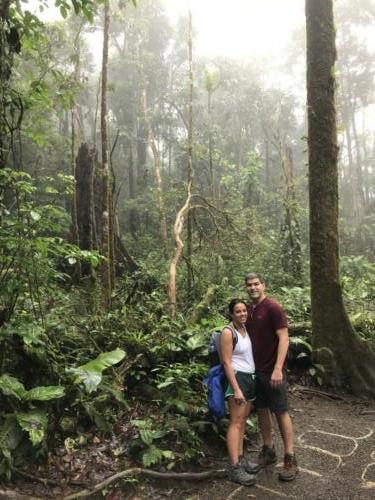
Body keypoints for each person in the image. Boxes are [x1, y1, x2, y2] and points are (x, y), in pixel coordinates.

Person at [244, 273, 299, 481]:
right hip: (255, 372)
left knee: (281, 412)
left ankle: (290, 458)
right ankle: (268, 450)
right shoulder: (249, 310)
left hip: (273, 371)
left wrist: (278, 368)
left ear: (263, 285)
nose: (253, 288)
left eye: (256, 284)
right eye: (249, 285)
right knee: (262, 410)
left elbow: (284, 338)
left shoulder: (273, 307)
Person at [220, 299, 257, 486]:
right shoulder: (228, 332)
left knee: (242, 421)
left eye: (244, 310)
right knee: (235, 422)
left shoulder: (245, 328)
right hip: (237, 379)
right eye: (238, 311)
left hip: (250, 378)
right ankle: (234, 467)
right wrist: (235, 388)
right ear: (231, 314)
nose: (242, 314)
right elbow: (226, 362)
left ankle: (241, 459)